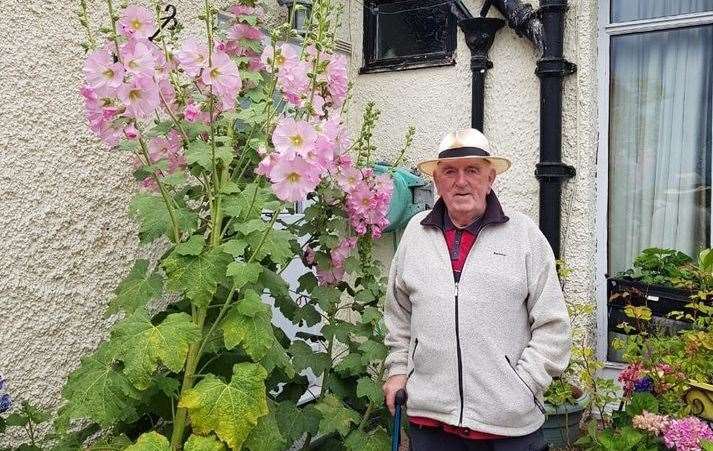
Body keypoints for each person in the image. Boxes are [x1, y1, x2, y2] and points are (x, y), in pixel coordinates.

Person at [382, 128, 571, 451]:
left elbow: (553, 327)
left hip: (507, 425)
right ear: (437, 181)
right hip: (431, 419)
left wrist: (523, 385)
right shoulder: (415, 233)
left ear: (490, 177)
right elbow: (399, 316)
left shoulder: (524, 236)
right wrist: (398, 371)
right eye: (450, 172)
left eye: (473, 170)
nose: (461, 181)